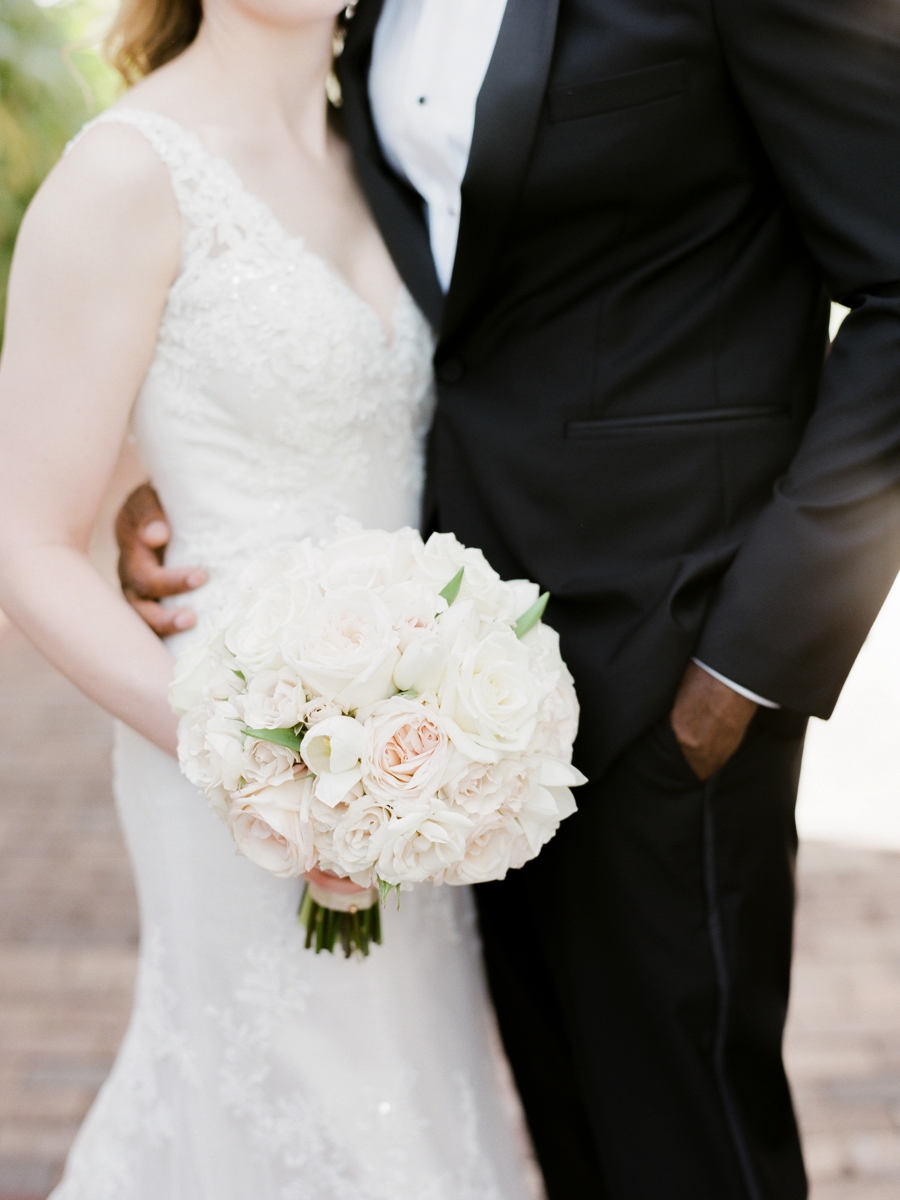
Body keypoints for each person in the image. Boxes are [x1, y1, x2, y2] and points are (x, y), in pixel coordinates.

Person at [118, 1, 900, 1197]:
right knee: (575, 1140)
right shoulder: (364, 9)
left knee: (689, 1151)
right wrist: (165, 480)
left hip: (677, 662)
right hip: (460, 698)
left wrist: (747, 668)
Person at [0, 1, 541, 1197]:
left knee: (409, 1086)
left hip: (412, 748)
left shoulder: (393, 161)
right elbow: (24, 541)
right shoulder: (125, 174)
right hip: (218, 735)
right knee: (291, 1095)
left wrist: (418, 734)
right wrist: (253, 752)